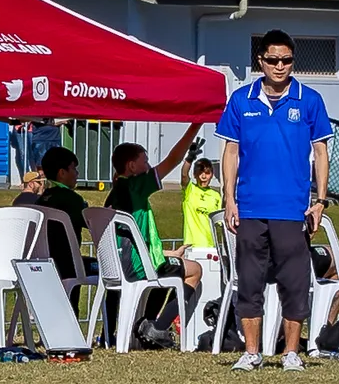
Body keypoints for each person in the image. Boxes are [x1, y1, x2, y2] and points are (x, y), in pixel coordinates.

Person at [217, 30, 332, 372]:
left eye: (286, 60)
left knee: (294, 281)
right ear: (261, 61)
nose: (280, 66)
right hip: (250, 206)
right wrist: (229, 198)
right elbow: (231, 151)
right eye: (273, 60)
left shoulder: (309, 100)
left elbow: (321, 151)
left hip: (292, 208)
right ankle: (252, 351)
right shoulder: (241, 99)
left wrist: (320, 200)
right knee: (249, 280)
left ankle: (292, 352)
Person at [105, 126, 202, 347]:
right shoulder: (136, 185)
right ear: (132, 166)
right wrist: (195, 125)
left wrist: (167, 252)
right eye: (145, 160)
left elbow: (131, 239)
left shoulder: (114, 193)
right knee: (194, 270)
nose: (148, 165)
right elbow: (174, 159)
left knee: (169, 267)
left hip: (117, 263)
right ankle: (156, 328)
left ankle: (144, 325)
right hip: (137, 267)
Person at [16, 144, 94, 295]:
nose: (77, 173)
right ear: (62, 173)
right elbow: (91, 223)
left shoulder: (41, 200)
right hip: (68, 266)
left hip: (43, 264)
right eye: (74, 169)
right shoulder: (72, 199)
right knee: (110, 270)